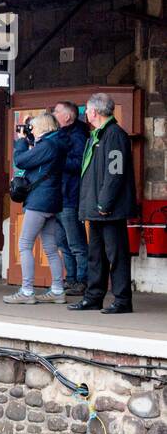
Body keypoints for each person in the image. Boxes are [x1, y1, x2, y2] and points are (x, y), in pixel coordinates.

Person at [69, 93, 137, 315]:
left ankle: (122, 300)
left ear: (95, 112)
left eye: (87, 110)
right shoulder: (95, 135)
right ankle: (93, 297)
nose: (85, 114)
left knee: (116, 255)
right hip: (96, 208)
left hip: (109, 209)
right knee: (95, 255)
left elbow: (115, 173)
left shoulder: (114, 135)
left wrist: (104, 203)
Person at [5, 112, 66, 304]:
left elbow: (21, 161)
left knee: (24, 245)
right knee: (50, 247)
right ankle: (57, 290)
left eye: (34, 127)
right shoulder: (55, 143)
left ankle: (27, 291)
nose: (32, 130)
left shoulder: (47, 145)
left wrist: (22, 142)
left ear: (44, 127)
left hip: (39, 201)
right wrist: (29, 138)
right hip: (51, 200)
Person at [51, 102, 89, 297]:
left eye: (56, 111)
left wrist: (56, 160)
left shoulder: (78, 136)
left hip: (70, 195)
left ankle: (83, 281)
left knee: (76, 244)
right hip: (58, 196)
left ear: (67, 116)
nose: (53, 114)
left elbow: (79, 163)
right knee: (62, 243)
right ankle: (71, 279)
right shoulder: (61, 135)